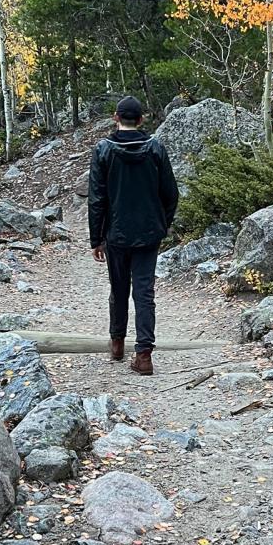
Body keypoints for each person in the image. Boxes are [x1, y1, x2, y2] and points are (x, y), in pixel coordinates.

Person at [88, 95, 179, 376]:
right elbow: (171, 193)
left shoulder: (103, 150)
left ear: (116, 118)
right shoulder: (155, 148)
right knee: (144, 292)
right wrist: (161, 224)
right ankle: (143, 355)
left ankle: (117, 344)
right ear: (141, 120)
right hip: (148, 233)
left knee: (118, 290)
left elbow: (96, 199)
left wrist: (97, 238)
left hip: (116, 234)